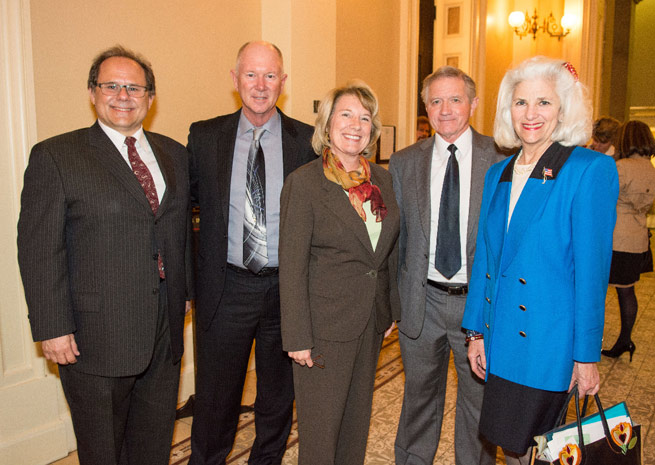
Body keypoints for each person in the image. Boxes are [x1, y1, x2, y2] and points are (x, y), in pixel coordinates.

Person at [17, 46, 192, 465]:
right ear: (92, 92)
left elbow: (179, 229)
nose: (123, 95)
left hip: (163, 329)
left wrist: (183, 292)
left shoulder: (174, 154)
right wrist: (52, 328)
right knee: (102, 451)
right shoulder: (57, 156)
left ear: (151, 97)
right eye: (111, 85)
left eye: (135, 87)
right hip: (95, 337)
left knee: (153, 445)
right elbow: (39, 249)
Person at [461, 56, 619, 465]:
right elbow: (487, 259)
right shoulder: (499, 172)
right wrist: (475, 331)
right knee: (511, 445)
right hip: (500, 338)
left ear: (563, 109)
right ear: (507, 110)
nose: (531, 114)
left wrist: (585, 357)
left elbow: (592, 274)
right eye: (521, 103)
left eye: (544, 103)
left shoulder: (588, 170)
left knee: (540, 449)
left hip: (548, 343)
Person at [187, 41, 315, 465]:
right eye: (251, 75)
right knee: (215, 398)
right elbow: (181, 215)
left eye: (270, 75)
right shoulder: (205, 137)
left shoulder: (308, 141)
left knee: (278, 396)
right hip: (226, 287)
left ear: (283, 80)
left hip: (287, 289)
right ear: (235, 79)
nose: (261, 85)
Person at [279, 80, 399, 465]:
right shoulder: (304, 183)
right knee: (320, 432)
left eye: (365, 117)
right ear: (327, 125)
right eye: (345, 114)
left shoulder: (382, 181)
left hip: (369, 321)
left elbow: (387, 253)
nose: (355, 124)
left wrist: (390, 308)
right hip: (323, 328)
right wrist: (297, 336)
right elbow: (292, 266)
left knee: (355, 424)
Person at [389, 66, 504, 465]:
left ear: (473, 103)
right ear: (425, 108)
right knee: (419, 398)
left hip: (480, 306)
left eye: (455, 99)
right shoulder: (403, 163)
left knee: (478, 405)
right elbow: (394, 240)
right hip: (422, 303)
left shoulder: (503, 159)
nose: (446, 109)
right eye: (435, 101)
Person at [602, 120, 655, 361]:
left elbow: (601, 199)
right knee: (627, 291)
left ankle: (590, 342)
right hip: (637, 238)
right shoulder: (650, 169)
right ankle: (625, 339)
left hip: (614, 238)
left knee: (596, 292)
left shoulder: (619, 167)